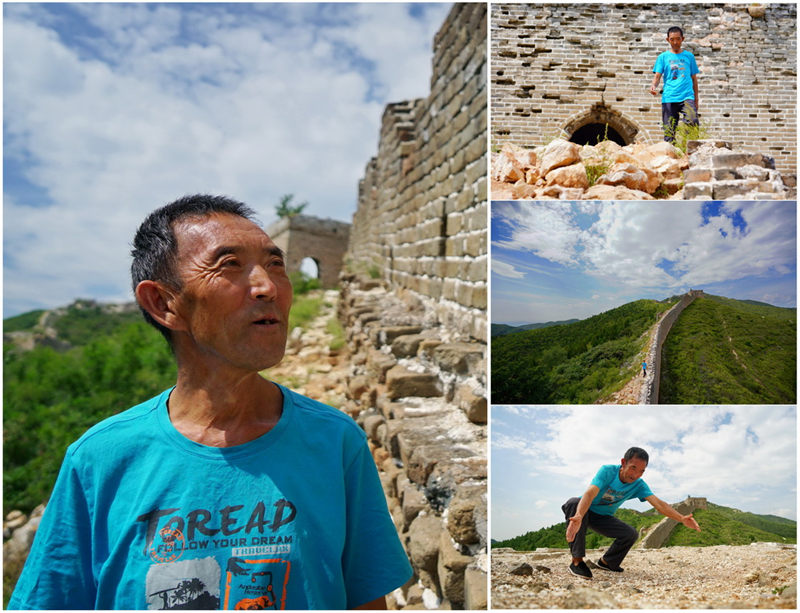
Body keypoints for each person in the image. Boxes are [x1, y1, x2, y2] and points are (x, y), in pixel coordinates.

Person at [9, 194, 412, 610]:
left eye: (276, 265)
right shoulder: (99, 460)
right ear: (163, 303)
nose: (268, 287)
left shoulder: (335, 442)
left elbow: (366, 600)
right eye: (229, 266)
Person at [562, 446, 700, 579]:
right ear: (623, 462)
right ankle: (577, 562)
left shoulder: (639, 484)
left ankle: (607, 562)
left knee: (630, 533)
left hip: (603, 518)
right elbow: (590, 493)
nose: (635, 475)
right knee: (573, 502)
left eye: (641, 471)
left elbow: (659, 504)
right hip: (583, 510)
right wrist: (580, 515)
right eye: (633, 467)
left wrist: (681, 518)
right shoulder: (607, 471)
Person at [649, 26, 700, 143]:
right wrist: (653, 86)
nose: (675, 42)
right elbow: (657, 76)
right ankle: (671, 157)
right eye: (672, 39)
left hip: (687, 96)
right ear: (668, 40)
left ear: (682, 39)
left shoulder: (689, 56)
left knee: (692, 121)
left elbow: (694, 79)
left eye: (678, 39)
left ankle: (690, 151)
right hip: (669, 97)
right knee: (669, 130)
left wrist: (696, 99)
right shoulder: (663, 57)